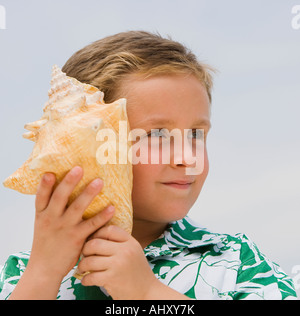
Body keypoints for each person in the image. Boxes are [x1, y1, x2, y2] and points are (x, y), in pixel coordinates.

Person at [0, 31, 297, 300]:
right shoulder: (24, 271)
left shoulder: (237, 262)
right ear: (89, 149)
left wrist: (147, 292)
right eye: (157, 135)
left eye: (196, 134)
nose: (187, 157)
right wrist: (43, 275)